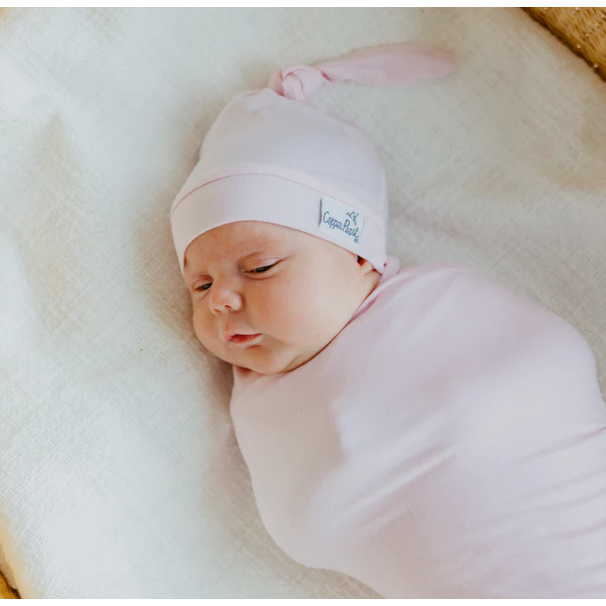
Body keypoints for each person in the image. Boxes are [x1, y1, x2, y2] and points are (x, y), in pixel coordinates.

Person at [169, 43, 606, 598]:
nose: (221, 301)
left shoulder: (439, 308)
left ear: (358, 254)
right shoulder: (261, 409)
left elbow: (538, 367)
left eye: (259, 267)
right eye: (200, 286)